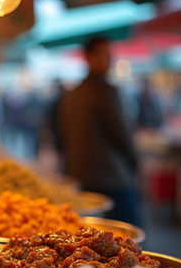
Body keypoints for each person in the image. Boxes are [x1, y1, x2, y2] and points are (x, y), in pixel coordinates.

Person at [60, 37, 140, 226]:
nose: (110, 59)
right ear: (89, 57)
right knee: (129, 234)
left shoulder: (72, 94)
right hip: (111, 178)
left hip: (79, 175)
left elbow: (61, 135)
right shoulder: (105, 91)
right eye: (104, 54)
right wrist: (135, 161)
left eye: (110, 54)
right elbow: (122, 133)